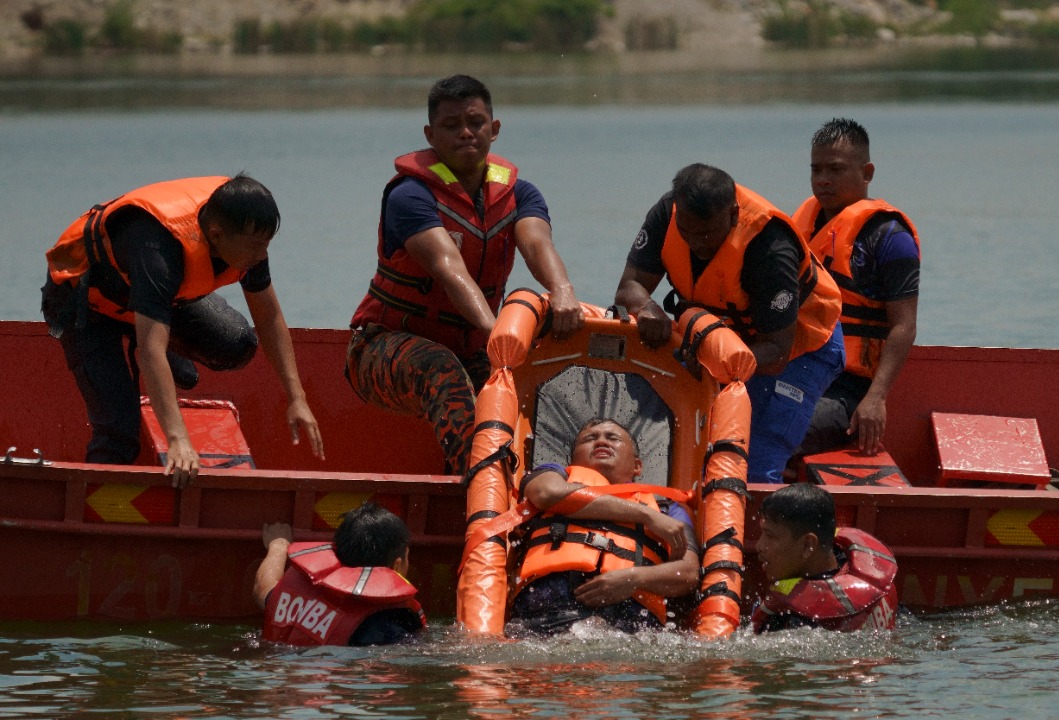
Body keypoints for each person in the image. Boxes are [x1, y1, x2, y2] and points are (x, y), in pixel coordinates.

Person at [346, 74, 583, 475]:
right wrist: (497, 333)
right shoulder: (410, 196)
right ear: (430, 134)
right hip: (380, 351)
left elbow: (537, 244)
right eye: (451, 126)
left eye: (475, 123)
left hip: (472, 350)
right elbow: (448, 267)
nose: (466, 133)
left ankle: (551, 487)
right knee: (441, 369)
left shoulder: (521, 194)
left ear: (495, 129)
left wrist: (562, 291)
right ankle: (479, 490)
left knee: (540, 390)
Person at [41, 174, 324, 488]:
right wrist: (177, 438)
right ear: (216, 235)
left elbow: (268, 316)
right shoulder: (158, 251)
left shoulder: (244, 232)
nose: (261, 255)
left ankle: (154, 331)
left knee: (237, 343)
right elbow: (151, 352)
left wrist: (297, 398)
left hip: (151, 300)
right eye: (256, 247)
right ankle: (94, 526)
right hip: (86, 305)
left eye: (266, 245)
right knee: (120, 430)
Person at [614, 163, 845, 483]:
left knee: (752, 456)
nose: (695, 243)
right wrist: (647, 307)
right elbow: (629, 288)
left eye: (707, 233)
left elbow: (777, 352)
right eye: (687, 231)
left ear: (734, 215)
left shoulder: (769, 248)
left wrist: (713, 359)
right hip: (718, 341)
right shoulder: (668, 213)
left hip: (801, 348)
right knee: (676, 438)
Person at [792, 118, 921, 457]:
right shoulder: (797, 228)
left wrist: (875, 398)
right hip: (796, 373)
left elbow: (904, 325)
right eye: (816, 169)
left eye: (835, 169)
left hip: (848, 391)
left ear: (867, 172)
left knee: (777, 427)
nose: (823, 180)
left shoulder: (892, 238)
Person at [505, 418, 700, 636]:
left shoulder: (668, 510)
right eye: (590, 438)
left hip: (632, 634)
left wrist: (632, 579)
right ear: (574, 459)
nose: (601, 442)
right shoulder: (553, 474)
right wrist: (645, 515)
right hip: (545, 621)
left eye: (612, 438)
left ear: (637, 466)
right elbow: (546, 494)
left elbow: (688, 573)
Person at [254, 501, 426, 646]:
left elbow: (263, 589)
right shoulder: (387, 626)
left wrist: (279, 545)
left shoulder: (305, 589)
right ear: (397, 566)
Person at [752, 483, 898, 633]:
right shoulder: (875, 582)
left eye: (770, 536)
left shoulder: (791, 622)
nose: (759, 546)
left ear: (808, 545)